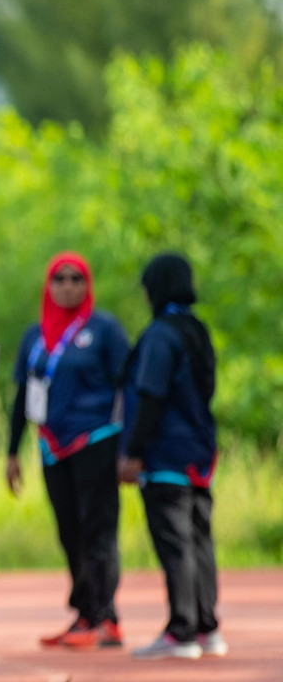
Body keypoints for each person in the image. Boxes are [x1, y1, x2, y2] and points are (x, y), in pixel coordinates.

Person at [8, 253, 128, 649]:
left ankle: (106, 616)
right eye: (59, 279)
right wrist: (12, 451)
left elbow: (127, 388)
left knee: (98, 528)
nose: (68, 286)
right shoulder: (35, 336)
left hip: (96, 439)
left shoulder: (104, 329)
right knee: (69, 530)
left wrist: (128, 448)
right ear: (49, 285)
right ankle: (85, 613)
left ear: (87, 284)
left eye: (77, 279)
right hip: (51, 446)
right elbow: (24, 394)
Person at [120, 253, 223, 661]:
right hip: (200, 449)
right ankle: (206, 626)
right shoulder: (197, 330)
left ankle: (181, 628)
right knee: (199, 537)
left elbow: (151, 394)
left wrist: (134, 451)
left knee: (174, 539)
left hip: (166, 453)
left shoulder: (160, 335)